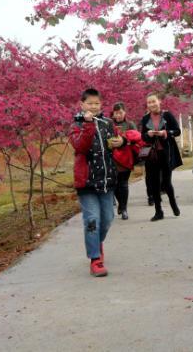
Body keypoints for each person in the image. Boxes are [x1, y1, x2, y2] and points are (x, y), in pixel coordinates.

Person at [69, 88, 123, 277]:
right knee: (92, 220)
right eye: (90, 103)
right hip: (87, 182)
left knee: (107, 219)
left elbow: (117, 140)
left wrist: (121, 142)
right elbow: (80, 146)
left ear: (101, 105)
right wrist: (88, 125)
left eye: (97, 103)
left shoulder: (108, 123)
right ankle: (95, 259)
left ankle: (96, 243)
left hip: (107, 181)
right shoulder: (76, 124)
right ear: (82, 105)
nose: (93, 106)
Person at [139, 93, 182, 221]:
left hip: (166, 153)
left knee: (166, 182)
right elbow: (142, 136)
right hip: (152, 155)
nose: (152, 104)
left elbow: (177, 131)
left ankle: (173, 204)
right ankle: (159, 211)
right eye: (149, 102)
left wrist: (166, 133)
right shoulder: (145, 118)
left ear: (159, 101)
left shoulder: (167, 115)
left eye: (154, 101)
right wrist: (149, 134)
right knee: (154, 184)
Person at [110, 102, 139, 220]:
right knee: (115, 184)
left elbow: (137, 138)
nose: (118, 115)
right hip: (112, 158)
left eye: (120, 112)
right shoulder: (109, 124)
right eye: (116, 113)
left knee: (124, 184)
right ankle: (121, 205)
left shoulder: (130, 124)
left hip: (126, 158)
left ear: (124, 112)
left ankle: (124, 209)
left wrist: (125, 140)